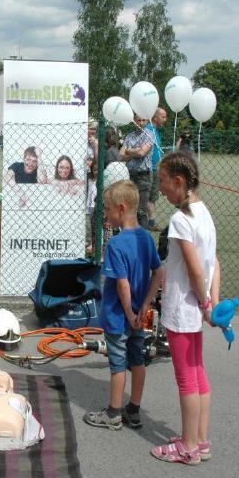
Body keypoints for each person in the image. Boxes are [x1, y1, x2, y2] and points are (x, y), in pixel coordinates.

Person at [152, 151, 220, 466]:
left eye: (163, 181)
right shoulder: (204, 213)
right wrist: (210, 301)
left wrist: (205, 303)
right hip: (195, 308)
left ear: (179, 182)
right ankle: (201, 440)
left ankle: (189, 447)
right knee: (197, 371)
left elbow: (196, 269)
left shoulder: (181, 219)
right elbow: (213, 263)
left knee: (186, 378)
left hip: (182, 310)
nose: (160, 188)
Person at [84, 180, 162, 431]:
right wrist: (145, 307)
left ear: (120, 208)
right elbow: (158, 273)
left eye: (106, 210)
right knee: (137, 359)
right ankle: (134, 410)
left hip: (120, 317)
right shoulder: (146, 239)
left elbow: (122, 285)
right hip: (140, 316)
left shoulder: (116, 245)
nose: (105, 215)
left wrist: (129, 313)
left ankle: (113, 412)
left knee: (118, 364)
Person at [119, 114, 154, 228]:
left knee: (141, 210)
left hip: (143, 175)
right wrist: (134, 152)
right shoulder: (129, 136)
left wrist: (128, 151)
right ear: (134, 120)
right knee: (129, 207)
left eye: (144, 120)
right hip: (129, 174)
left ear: (147, 121)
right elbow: (121, 155)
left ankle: (142, 237)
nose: (141, 123)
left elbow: (142, 153)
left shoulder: (149, 135)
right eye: (138, 120)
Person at [146, 108, 167, 231]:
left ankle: (150, 221)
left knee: (152, 197)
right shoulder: (149, 130)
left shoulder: (156, 131)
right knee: (150, 197)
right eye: (163, 117)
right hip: (150, 168)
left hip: (156, 168)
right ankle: (151, 222)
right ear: (155, 117)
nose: (165, 119)